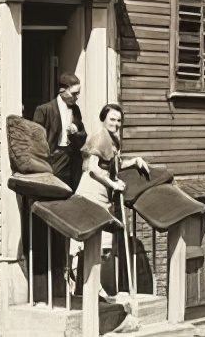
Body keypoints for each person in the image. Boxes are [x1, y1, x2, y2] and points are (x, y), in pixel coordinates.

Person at [71, 103, 149, 297]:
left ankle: (91, 288)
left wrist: (136, 161)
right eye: (112, 119)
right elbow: (92, 168)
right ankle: (84, 288)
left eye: (119, 120)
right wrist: (113, 185)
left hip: (103, 196)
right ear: (104, 120)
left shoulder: (113, 140)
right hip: (91, 194)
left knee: (102, 245)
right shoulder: (99, 137)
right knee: (89, 244)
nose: (116, 123)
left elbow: (115, 164)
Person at [32, 72, 87, 190]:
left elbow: (83, 135)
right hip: (54, 160)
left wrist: (75, 132)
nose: (77, 97)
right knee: (54, 193)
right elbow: (36, 141)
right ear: (62, 91)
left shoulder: (76, 109)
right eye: (74, 93)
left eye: (78, 93)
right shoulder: (44, 110)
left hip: (73, 161)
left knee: (72, 194)